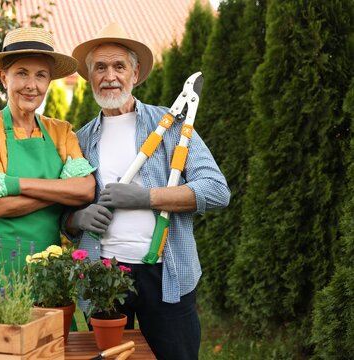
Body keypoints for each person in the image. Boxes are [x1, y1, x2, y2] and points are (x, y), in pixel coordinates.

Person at [65, 22, 230, 360]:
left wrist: (146, 197)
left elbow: (216, 190)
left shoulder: (170, 125)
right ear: (89, 76)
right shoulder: (78, 141)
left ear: (135, 74)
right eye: (100, 67)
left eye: (119, 66)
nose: (110, 75)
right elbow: (63, 215)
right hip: (103, 275)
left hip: (167, 274)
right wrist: (77, 218)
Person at [0, 27, 96, 286]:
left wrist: (12, 185)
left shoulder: (61, 131)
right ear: (4, 78)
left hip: (44, 269)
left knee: (48, 326)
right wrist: (59, 194)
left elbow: (84, 191)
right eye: (21, 73)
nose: (31, 85)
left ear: (49, 81)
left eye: (41, 75)